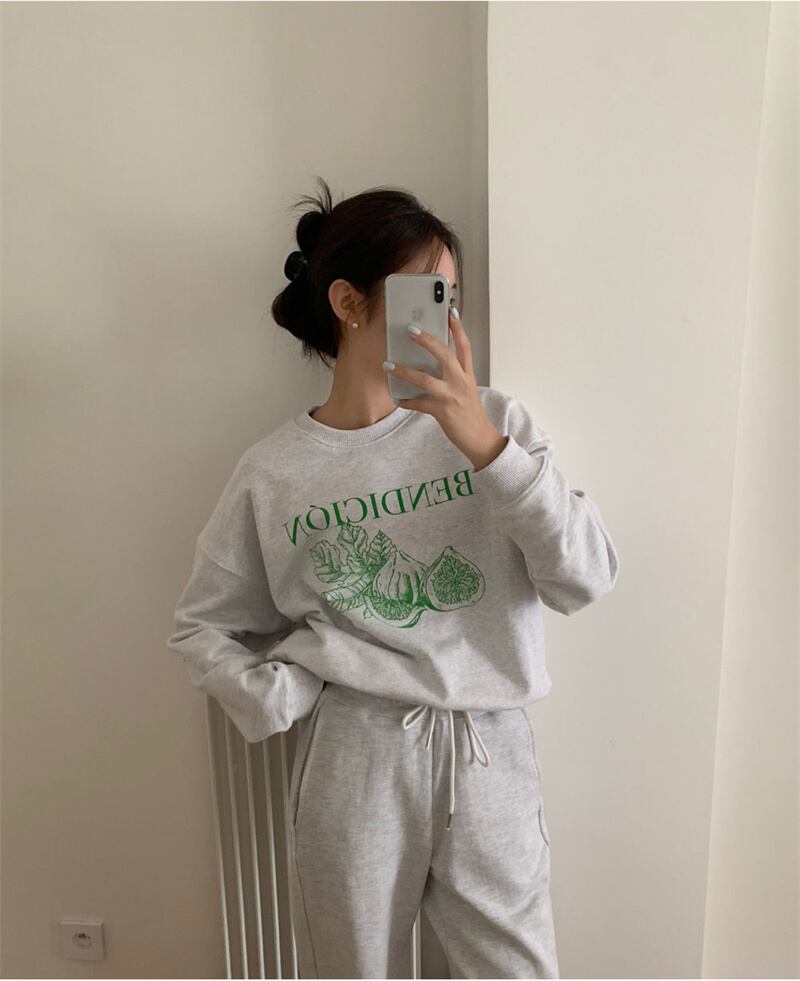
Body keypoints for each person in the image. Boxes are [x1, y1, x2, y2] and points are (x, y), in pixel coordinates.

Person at [167, 177, 619, 980]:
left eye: (450, 295)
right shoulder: (275, 472)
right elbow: (203, 623)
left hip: (488, 748)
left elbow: (583, 578)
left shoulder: (497, 425)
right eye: (424, 292)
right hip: (357, 753)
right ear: (348, 302)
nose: (443, 317)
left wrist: (484, 446)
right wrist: (280, 691)